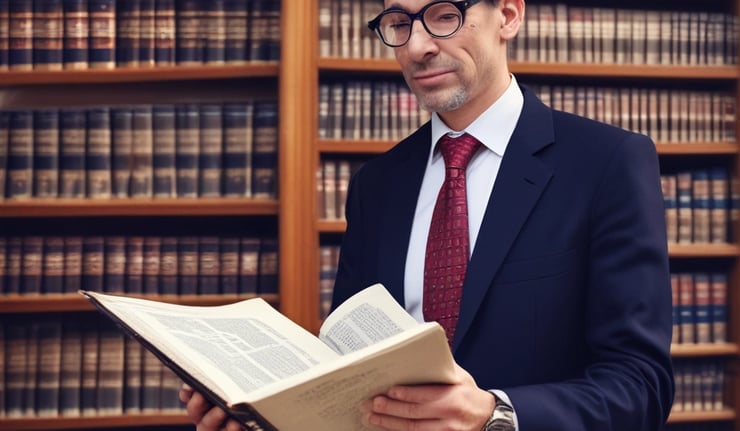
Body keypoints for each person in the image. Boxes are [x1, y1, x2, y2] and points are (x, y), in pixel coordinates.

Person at [180, 0, 675, 430]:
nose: (417, 46)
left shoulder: (607, 162)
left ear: (507, 15)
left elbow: (641, 387)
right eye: (399, 23)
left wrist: (495, 414)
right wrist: (268, 416)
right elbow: (349, 372)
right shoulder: (376, 185)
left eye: (444, 16)